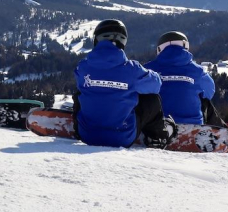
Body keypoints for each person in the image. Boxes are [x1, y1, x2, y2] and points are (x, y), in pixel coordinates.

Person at [74, 19, 174, 148]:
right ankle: (157, 136)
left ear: (96, 40)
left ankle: (82, 124)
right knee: (152, 98)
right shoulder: (132, 69)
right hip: (122, 137)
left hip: (86, 135)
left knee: (79, 93)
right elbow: (156, 86)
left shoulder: (83, 66)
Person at [144, 31, 218, 125]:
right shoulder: (198, 71)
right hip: (192, 125)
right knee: (203, 99)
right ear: (185, 46)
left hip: (157, 125)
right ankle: (216, 128)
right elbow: (209, 92)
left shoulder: (147, 69)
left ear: (159, 49)